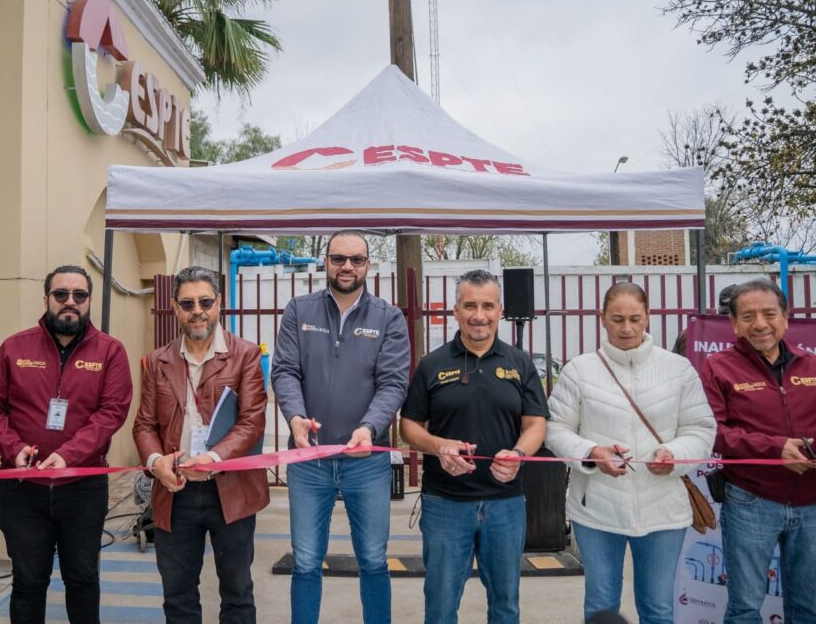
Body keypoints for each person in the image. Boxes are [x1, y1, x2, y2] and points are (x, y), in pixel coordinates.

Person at [546, 281, 716, 624]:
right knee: (601, 607)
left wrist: (672, 453)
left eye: (635, 319)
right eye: (617, 319)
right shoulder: (579, 370)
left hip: (663, 510)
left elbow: (701, 429)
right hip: (596, 508)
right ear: (602, 319)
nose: (626, 328)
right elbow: (555, 429)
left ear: (648, 318)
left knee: (657, 608)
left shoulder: (678, 369)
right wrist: (591, 451)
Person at [0, 265, 132, 623]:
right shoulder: (15, 347)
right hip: (22, 489)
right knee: (28, 582)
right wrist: (13, 449)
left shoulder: (110, 352)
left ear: (89, 301)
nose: (70, 302)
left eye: (79, 295)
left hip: (83, 488)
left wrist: (67, 455)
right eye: (61, 295)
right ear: (46, 299)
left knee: (83, 578)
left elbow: (112, 412)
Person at [272, 230, 410, 624]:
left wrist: (370, 427)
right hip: (308, 459)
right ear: (325, 262)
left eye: (356, 259)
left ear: (368, 265)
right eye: (338, 258)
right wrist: (296, 417)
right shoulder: (299, 311)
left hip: (365, 461)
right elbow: (284, 371)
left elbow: (393, 382)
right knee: (306, 561)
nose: (347, 266)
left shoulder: (389, 318)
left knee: (372, 559)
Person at [700, 278, 816, 623]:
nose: (760, 324)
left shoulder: (812, 365)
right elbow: (713, 432)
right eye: (749, 316)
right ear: (735, 324)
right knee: (744, 610)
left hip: (813, 502)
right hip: (751, 501)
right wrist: (776, 449)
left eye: (769, 313)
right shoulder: (718, 366)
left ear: (785, 317)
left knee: (807, 610)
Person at [400, 269, 549, 624]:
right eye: (469, 305)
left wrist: (518, 454)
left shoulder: (520, 363)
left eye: (487, 306)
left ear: (500, 310)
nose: (478, 315)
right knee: (439, 607)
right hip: (444, 504)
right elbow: (408, 426)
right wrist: (437, 446)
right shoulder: (432, 364)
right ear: (456, 310)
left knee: (505, 606)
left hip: (506, 503)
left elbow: (536, 424)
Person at [133, 266, 269, 623]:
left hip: (232, 491)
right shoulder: (159, 361)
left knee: (237, 592)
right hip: (173, 492)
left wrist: (212, 457)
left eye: (206, 301)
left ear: (219, 303)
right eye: (188, 303)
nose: (198, 310)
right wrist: (155, 461)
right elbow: (144, 424)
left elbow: (252, 420)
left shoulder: (246, 355)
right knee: (177, 596)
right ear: (176, 308)